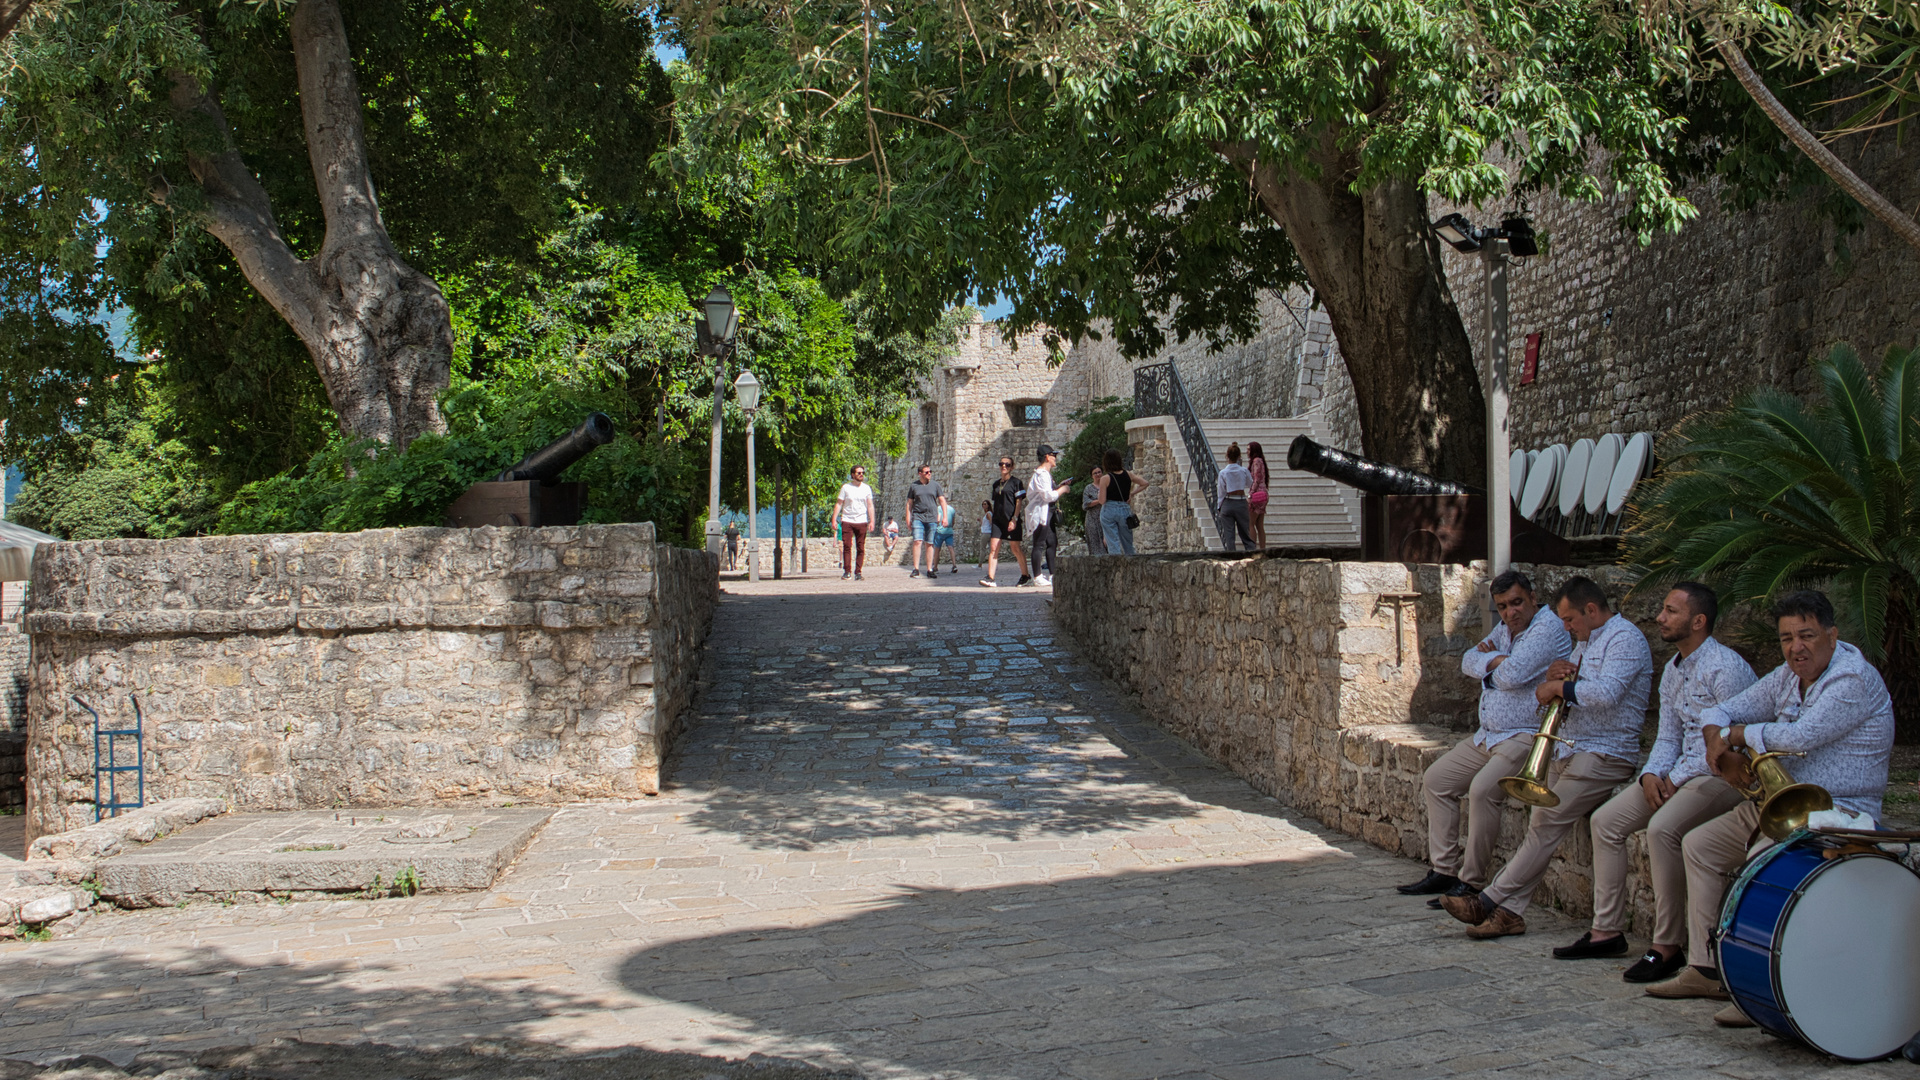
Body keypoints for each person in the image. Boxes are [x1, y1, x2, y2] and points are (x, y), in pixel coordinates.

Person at [1646, 590, 1895, 1028]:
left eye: (1806, 636)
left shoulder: (1851, 677)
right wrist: (1717, 745)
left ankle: (1768, 985)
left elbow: (1801, 736)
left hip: (1840, 810)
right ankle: (1706, 970)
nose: (1796, 648)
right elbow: (1720, 709)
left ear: (1832, 635)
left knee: (1761, 859)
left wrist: (1738, 735)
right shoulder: (1786, 675)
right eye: (1786, 639)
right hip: (1783, 801)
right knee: (1700, 845)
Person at [1554, 583, 1754, 982]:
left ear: (1698, 622)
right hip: (1677, 774)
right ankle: (1605, 931)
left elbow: (1721, 746)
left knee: (1663, 829)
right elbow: (1667, 736)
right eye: (1663, 609)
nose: (1660, 618)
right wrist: (1650, 774)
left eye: (1670, 611)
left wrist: (1671, 779)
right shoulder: (1675, 670)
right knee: (1606, 822)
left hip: (1720, 777)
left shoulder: (1725, 668)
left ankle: (1667, 946)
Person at [1439, 576, 1652, 939]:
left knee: (1546, 822)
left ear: (1591, 610)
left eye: (1569, 620)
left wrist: (1559, 686)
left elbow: (1608, 693)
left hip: (1606, 751)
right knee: (1541, 823)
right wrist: (1556, 678)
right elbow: (1555, 686)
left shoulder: (1626, 638)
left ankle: (1487, 900)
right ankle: (1511, 914)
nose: (1565, 628)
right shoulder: (1584, 642)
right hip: (1572, 746)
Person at [1399, 570, 1571, 904]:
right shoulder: (1506, 630)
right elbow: (1468, 660)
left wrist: (1492, 666)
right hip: (1489, 735)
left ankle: (1471, 883)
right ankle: (1444, 871)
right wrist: (1495, 659)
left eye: (1517, 603)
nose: (1510, 613)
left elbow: (1513, 675)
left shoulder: (1546, 628)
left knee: (1481, 791)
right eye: (1503, 606)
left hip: (1524, 735)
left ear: (1533, 598)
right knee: (1437, 779)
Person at [1023, 445, 1072, 588]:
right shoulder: (1042, 474)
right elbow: (1047, 496)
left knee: (1052, 542)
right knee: (1039, 543)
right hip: (1041, 513)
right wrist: (1062, 490)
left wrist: (1059, 486)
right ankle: (1037, 576)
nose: (1055, 458)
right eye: (1053, 455)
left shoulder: (1045, 474)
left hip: (1047, 512)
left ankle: (1052, 574)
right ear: (1047, 457)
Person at [981, 456, 1030, 587]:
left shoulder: (1016, 483)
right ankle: (990, 577)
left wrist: (1014, 518)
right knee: (993, 548)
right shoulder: (996, 484)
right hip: (997, 520)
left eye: (1007, 465)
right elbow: (995, 501)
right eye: (1001, 464)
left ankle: (1025, 575)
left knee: (1015, 548)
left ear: (1012, 467)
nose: (1004, 466)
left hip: (1011, 519)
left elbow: (1019, 502)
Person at [1094, 449, 1148, 555]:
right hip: (1124, 509)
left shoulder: (1105, 478)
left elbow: (1102, 500)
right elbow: (1145, 483)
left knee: (1113, 543)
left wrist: (1099, 493)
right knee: (1128, 542)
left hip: (1109, 509)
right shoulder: (1128, 474)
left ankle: (1117, 568)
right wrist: (1132, 493)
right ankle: (1132, 565)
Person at [833, 465, 878, 581]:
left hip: (861, 520)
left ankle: (858, 572)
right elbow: (839, 503)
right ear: (853, 475)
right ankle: (847, 571)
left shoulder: (866, 488)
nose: (861, 474)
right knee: (847, 546)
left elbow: (870, 505)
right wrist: (834, 518)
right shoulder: (846, 488)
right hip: (847, 520)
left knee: (861, 547)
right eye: (858, 473)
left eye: (862, 472)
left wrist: (872, 521)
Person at [904, 464, 949, 579]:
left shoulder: (935, 485)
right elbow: (909, 503)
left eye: (930, 472)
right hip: (918, 516)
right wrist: (908, 518)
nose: (929, 474)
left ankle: (929, 569)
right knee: (917, 541)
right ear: (920, 474)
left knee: (929, 543)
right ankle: (916, 569)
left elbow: (942, 501)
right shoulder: (914, 486)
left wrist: (944, 517)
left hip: (932, 517)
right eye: (926, 472)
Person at [1216, 442, 1256, 552]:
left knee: (1229, 536)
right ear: (1239, 456)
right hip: (1241, 502)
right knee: (1245, 533)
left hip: (1228, 502)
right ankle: (1252, 554)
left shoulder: (1223, 473)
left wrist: (1219, 506)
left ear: (1227, 456)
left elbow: (1221, 491)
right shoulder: (1243, 471)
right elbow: (1250, 483)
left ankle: (1231, 558)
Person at [1247, 441, 1270, 550]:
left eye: (1248, 449)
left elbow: (1256, 479)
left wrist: (1250, 494)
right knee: (1259, 525)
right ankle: (1262, 548)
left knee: (1250, 523)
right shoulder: (1261, 461)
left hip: (1257, 495)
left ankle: (1252, 549)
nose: (1247, 452)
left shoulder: (1256, 461)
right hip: (1264, 494)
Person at [1082, 468, 1107, 556]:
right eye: (1095, 473)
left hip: (1107, 518)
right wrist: (1100, 500)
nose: (1097, 474)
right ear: (1092, 476)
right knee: (1095, 545)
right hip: (1092, 520)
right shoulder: (1088, 488)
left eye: (1099, 472)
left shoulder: (1107, 485)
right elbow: (1086, 504)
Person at [933, 500, 959, 574]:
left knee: (937, 549)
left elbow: (938, 519)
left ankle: (935, 567)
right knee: (951, 548)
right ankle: (954, 565)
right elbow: (953, 522)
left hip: (940, 531)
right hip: (949, 531)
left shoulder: (938, 508)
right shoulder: (952, 509)